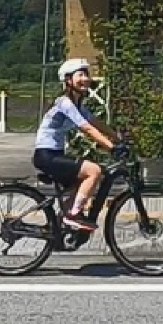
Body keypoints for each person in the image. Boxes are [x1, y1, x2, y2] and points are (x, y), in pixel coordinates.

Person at [33, 57, 122, 232]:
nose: (85, 79)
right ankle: (73, 215)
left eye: (86, 74)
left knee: (83, 179)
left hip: (54, 154)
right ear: (68, 80)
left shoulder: (76, 104)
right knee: (93, 171)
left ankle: (63, 220)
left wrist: (118, 139)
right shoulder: (64, 103)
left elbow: (95, 122)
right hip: (47, 156)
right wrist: (111, 147)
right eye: (80, 75)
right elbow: (87, 128)